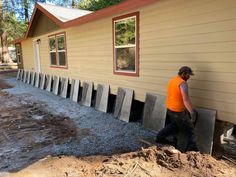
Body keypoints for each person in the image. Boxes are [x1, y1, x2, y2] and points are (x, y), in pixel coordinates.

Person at [155, 66, 198, 152]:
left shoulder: (172, 80)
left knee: (175, 125)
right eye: (188, 75)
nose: (189, 77)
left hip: (170, 109)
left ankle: (160, 137)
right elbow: (185, 99)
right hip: (177, 111)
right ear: (183, 74)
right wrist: (192, 112)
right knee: (190, 129)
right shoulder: (182, 83)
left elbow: (176, 96)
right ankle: (193, 150)